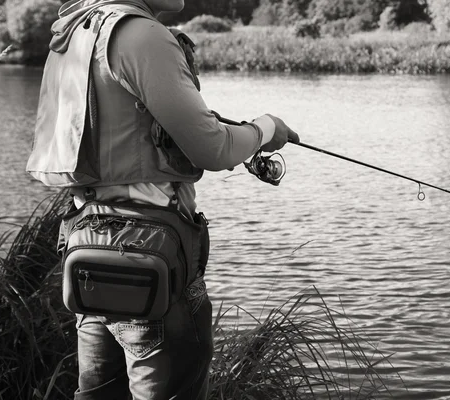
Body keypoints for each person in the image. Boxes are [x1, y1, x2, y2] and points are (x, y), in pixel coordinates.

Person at [25, 0, 300, 398]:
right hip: (151, 255)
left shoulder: (73, 31)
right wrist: (264, 129)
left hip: (86, 247)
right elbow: (213, 149)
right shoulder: (141, 34)